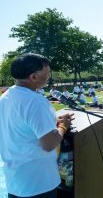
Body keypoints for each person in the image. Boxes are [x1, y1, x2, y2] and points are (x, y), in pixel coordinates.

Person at [0, 53, 74, 198]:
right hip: (38, 184)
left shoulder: (5, 98)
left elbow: (22, 127)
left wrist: (52, 122)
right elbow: (49, 144)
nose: (49, 77)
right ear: (33, 77)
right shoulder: (34, 101)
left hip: (16, 182)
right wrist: (63, 126)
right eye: (47, 73)